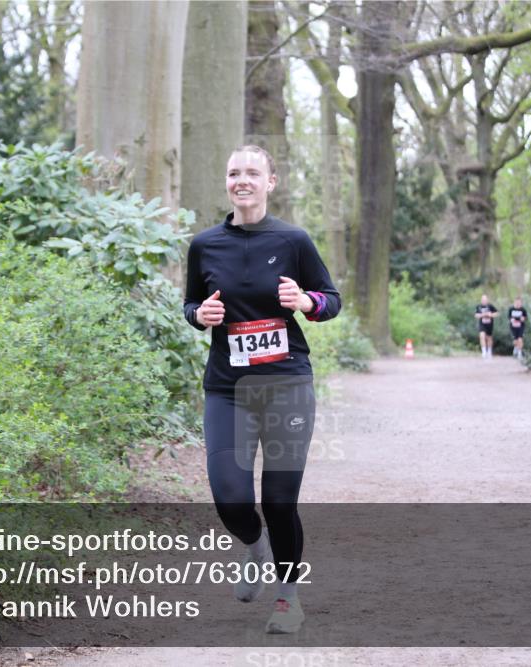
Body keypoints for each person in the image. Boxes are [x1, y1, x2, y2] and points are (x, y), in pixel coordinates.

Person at [183, 145, 340, 634]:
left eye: (253, 172)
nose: (242, 180)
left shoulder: (294, 240)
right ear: (227, 183)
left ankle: (288, 598)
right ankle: (255, 547)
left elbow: (330, 300)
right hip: (228, 388)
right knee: (230, 498)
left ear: (271, 181)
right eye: (234, 173)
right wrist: (198, 316)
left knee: (278, 500)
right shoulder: (205, 244)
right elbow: (192, 303)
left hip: (286, 385)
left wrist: (306, 300)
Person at [474, 294, 498, 358]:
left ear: (487, 300)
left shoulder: (490, 306)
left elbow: (496, 313)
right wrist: (482, 315)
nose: (484, 301)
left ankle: (489, 351)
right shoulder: (478, 307)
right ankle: (484, 352)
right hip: (482, 324)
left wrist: (490, 315)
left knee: (489, 338)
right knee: (482, 336)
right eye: (482, 299)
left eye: (485, 299)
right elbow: (476, 315)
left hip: (489, 324)